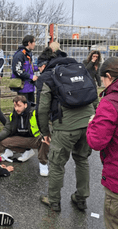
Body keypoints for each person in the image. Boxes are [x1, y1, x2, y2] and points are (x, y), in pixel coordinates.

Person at [36, 46, 95, 212]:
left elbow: (42, 109)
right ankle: (81, 198)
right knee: (82, 159)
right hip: (88, 122)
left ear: (46, 63)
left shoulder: (48, 76)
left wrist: (45, 133)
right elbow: (93, 96)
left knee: (56, 164)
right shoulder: (80, 69)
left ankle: (54, 200)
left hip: (66, 127)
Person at [87, 57, 118, 229]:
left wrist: (92, 123)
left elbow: (96, 141)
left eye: (103, 80)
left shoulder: (110, 102)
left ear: (108, 76)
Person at [0, 95, 49, 176]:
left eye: (19, 106)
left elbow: (44, 126)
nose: (16, 108)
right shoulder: (13, 115)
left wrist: (45, 135)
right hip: (22, 139)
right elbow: (7, 129)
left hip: (34, 138)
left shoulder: (35, 113)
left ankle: (43, 163)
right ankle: (27, 151)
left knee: (46, 138)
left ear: (25, 105)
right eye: (15, 106)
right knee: (3, 142)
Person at [11, 35, 39, 102]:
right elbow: (17, 70)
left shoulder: (28, 54)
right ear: (29, 43)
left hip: (30, 87)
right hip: (23, 88)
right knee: (23, 108)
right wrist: (31, 76)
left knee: (32, 107)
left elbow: (29, 68)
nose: (35, 44)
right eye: (34, 42)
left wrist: (39, 68)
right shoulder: (20, 55)